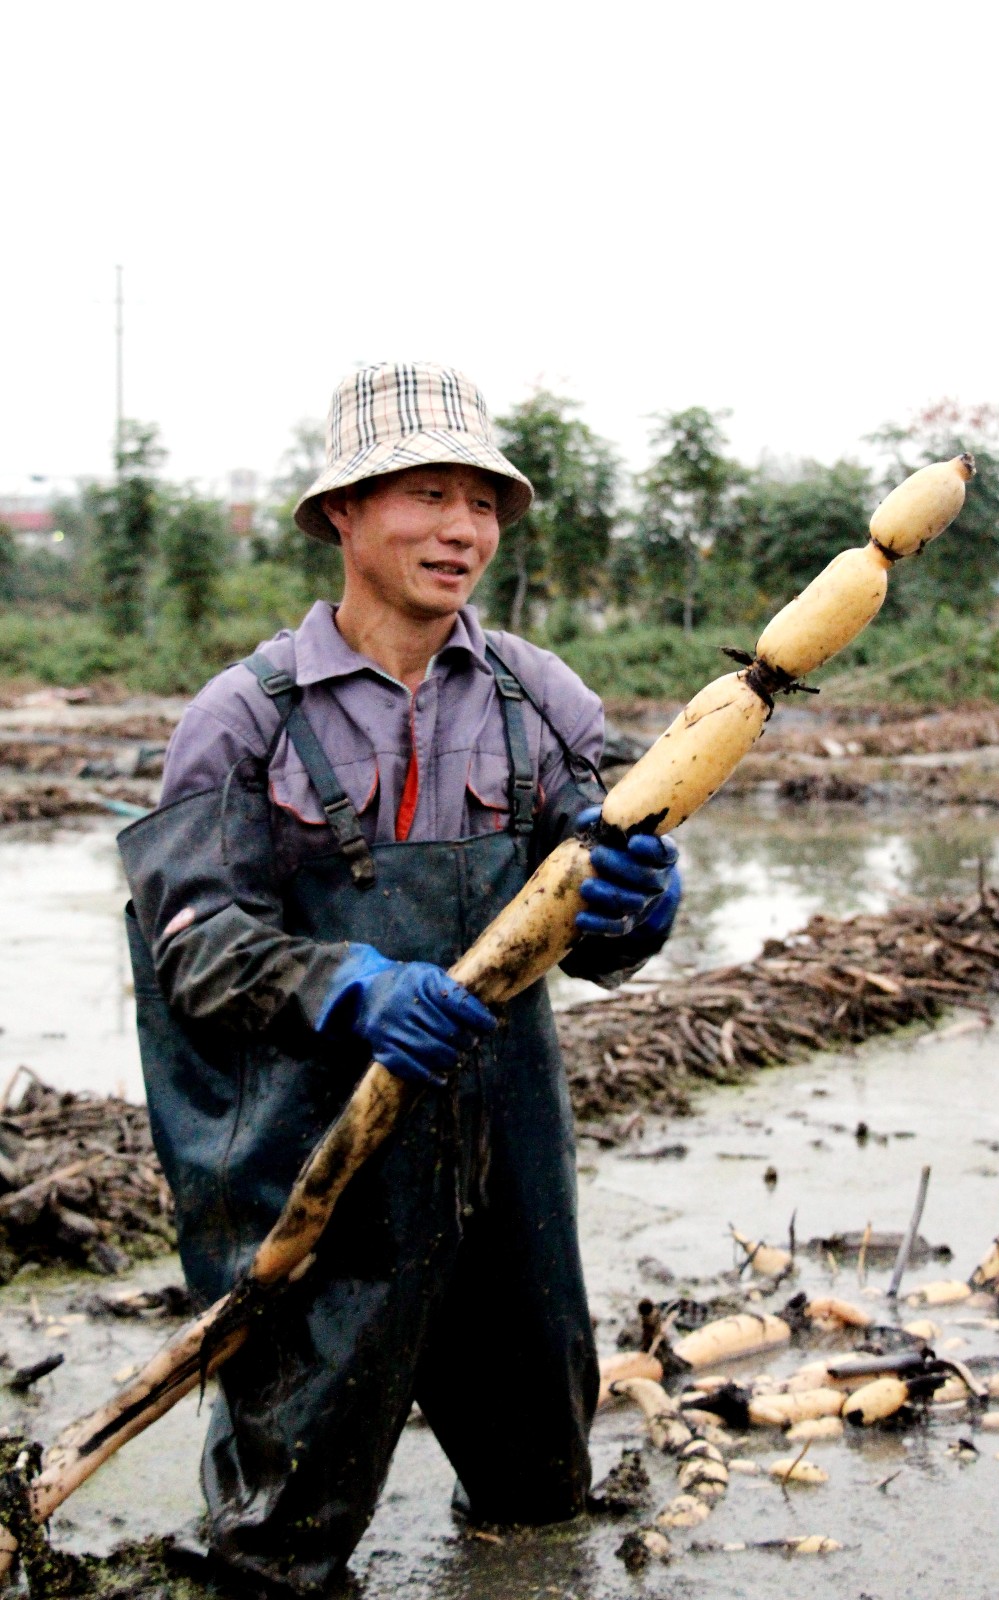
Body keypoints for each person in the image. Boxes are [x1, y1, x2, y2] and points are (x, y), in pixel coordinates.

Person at [118, 361, 681, 1597]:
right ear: (343, 515)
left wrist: (638, 907)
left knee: (540, 1502)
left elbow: (587, 919)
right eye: (428, 496)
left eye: (481, 503)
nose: (462, 530)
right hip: (321, 1161)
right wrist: (355, 985)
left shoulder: (544, 702)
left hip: (507, 1155)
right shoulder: (244, 718)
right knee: (281, 1543)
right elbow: (193, 943)